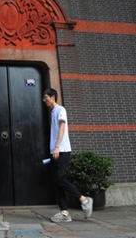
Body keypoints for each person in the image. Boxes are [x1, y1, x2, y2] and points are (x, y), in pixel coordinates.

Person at [42, 88, 93, 223]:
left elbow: (62, 128)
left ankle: (84, 200)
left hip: (62, 149)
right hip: (55, 151)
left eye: (46, 97)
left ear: (52, 97)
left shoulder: (60, 110)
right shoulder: (53, 112)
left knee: (59, 178)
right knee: (56, 182)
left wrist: (57, 147)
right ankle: (64, 212)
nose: (44, 100)